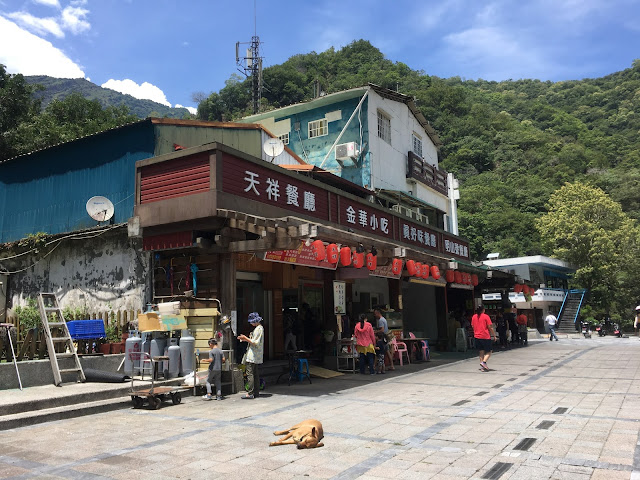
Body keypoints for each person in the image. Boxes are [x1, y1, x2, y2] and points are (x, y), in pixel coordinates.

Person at [237, 312, 264, 399]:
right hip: (256, 355)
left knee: (250, 373)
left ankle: (250, 392)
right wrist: (246, 338)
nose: (251, 323)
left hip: (253, 355)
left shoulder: (258, 329)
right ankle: (256, 392)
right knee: (255, 373)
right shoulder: (259, 328)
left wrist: (245, 338)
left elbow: (255, 342)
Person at [471, 305, 496, 372]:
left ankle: (483, 367)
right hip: (485, 336)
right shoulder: (486, 316)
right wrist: (494, 335)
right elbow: (490, 327)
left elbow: (473, 326)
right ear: (483, 310)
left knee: (481, 352)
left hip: (477, 336)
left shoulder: (474, 317)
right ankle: (484, 362)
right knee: (489, 351)